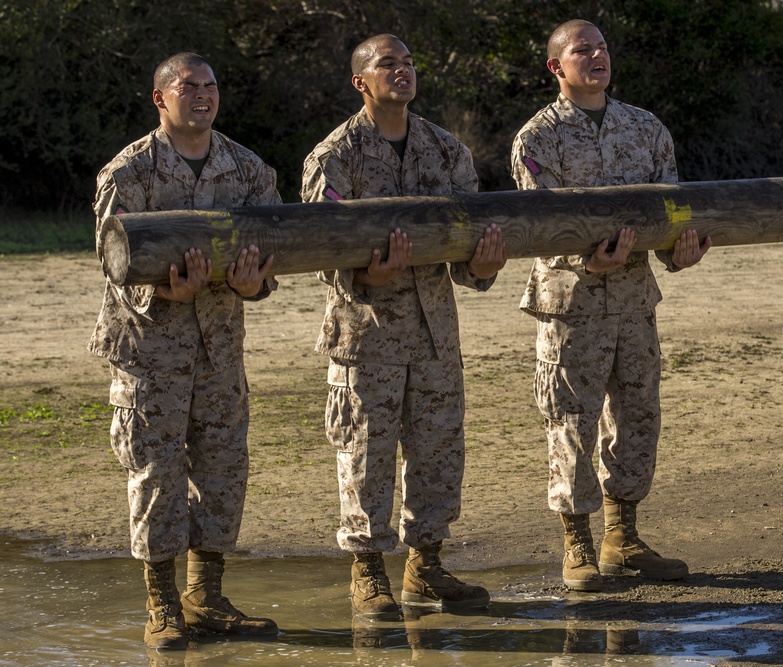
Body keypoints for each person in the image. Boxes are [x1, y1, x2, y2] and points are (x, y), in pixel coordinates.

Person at [300, 34, 506, 618]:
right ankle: (368, 572)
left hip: (435, 332)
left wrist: (482, 266)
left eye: (409, 62)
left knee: (439, 450)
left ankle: (426, 566)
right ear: (360, 81)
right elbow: (320, 248)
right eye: (388, 64)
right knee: (366, 453)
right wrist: (365, 274)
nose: (403, 72)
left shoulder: (446, 151)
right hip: (365, 335)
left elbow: (468, 242)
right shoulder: (333, 157)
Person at [511, 19, 711, 592]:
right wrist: (584, 262)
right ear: (556, 66)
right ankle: (576, 544)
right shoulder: (537, 139)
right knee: (570, 422)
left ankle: (622, 536)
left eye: (601, 48)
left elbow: (670, 213)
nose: (596, 56)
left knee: (637, 415)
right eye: (582, 50)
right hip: (570, 304)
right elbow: (537, 225)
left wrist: (681, 252)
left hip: (633, 302)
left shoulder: (646, 129)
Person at [89, 52, 281, 649]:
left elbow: (274, 251)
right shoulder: (128, 172)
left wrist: (256, 285)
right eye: (188, 87)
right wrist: (161, 289)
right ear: (160, 98)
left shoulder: (249, 169)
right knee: (157, 475)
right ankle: (163, 606)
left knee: (223, 470)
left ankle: (207, 596)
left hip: (220, 348)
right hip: (149, 351)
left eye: (211, 87)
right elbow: (113, 262)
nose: (202, 96)